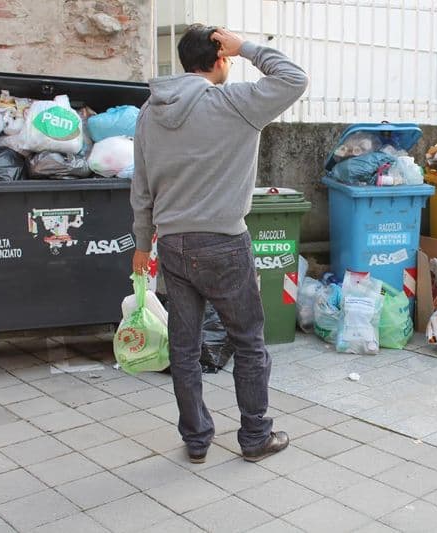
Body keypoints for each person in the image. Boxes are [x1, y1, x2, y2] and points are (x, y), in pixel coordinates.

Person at [130, 25, 308, 463]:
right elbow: (294, 78)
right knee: (248, 341)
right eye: (227, 54)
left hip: (172, 244)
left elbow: (142, 187)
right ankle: (254, 437)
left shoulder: (150, 112)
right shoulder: (235, 103)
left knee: (184, 348)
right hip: (225, 243)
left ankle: (196, 440)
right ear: (220, 58)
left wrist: (141, 244)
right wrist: (245, 46)